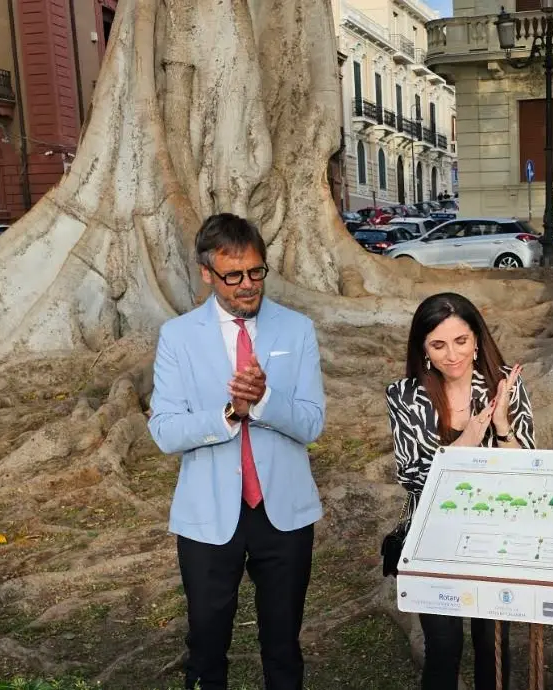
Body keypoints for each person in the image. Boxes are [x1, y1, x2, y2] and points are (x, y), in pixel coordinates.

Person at [147, 213, 326, 690]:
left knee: (283, 646)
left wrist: (264, 402)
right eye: (233, 276)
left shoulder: (297, 329)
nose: (248, 285)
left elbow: (312, 422)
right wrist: (229, 413)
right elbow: (164, 431)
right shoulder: (178, 337)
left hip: (284, 514)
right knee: (206, 646)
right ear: (207, 273)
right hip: (206, 517)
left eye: (256, 272)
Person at [386, 292, 534, 690]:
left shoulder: (504, 385)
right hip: (433, 539)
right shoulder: (404, 396)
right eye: (438, 345)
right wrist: (464, 442)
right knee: (444, 645)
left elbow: (526, 472)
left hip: (493, 540)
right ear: (424, 349)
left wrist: (502, 427)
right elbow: (411, 473)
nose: (452, 355)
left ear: (476, 341)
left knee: (494, 644)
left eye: (461, 341)